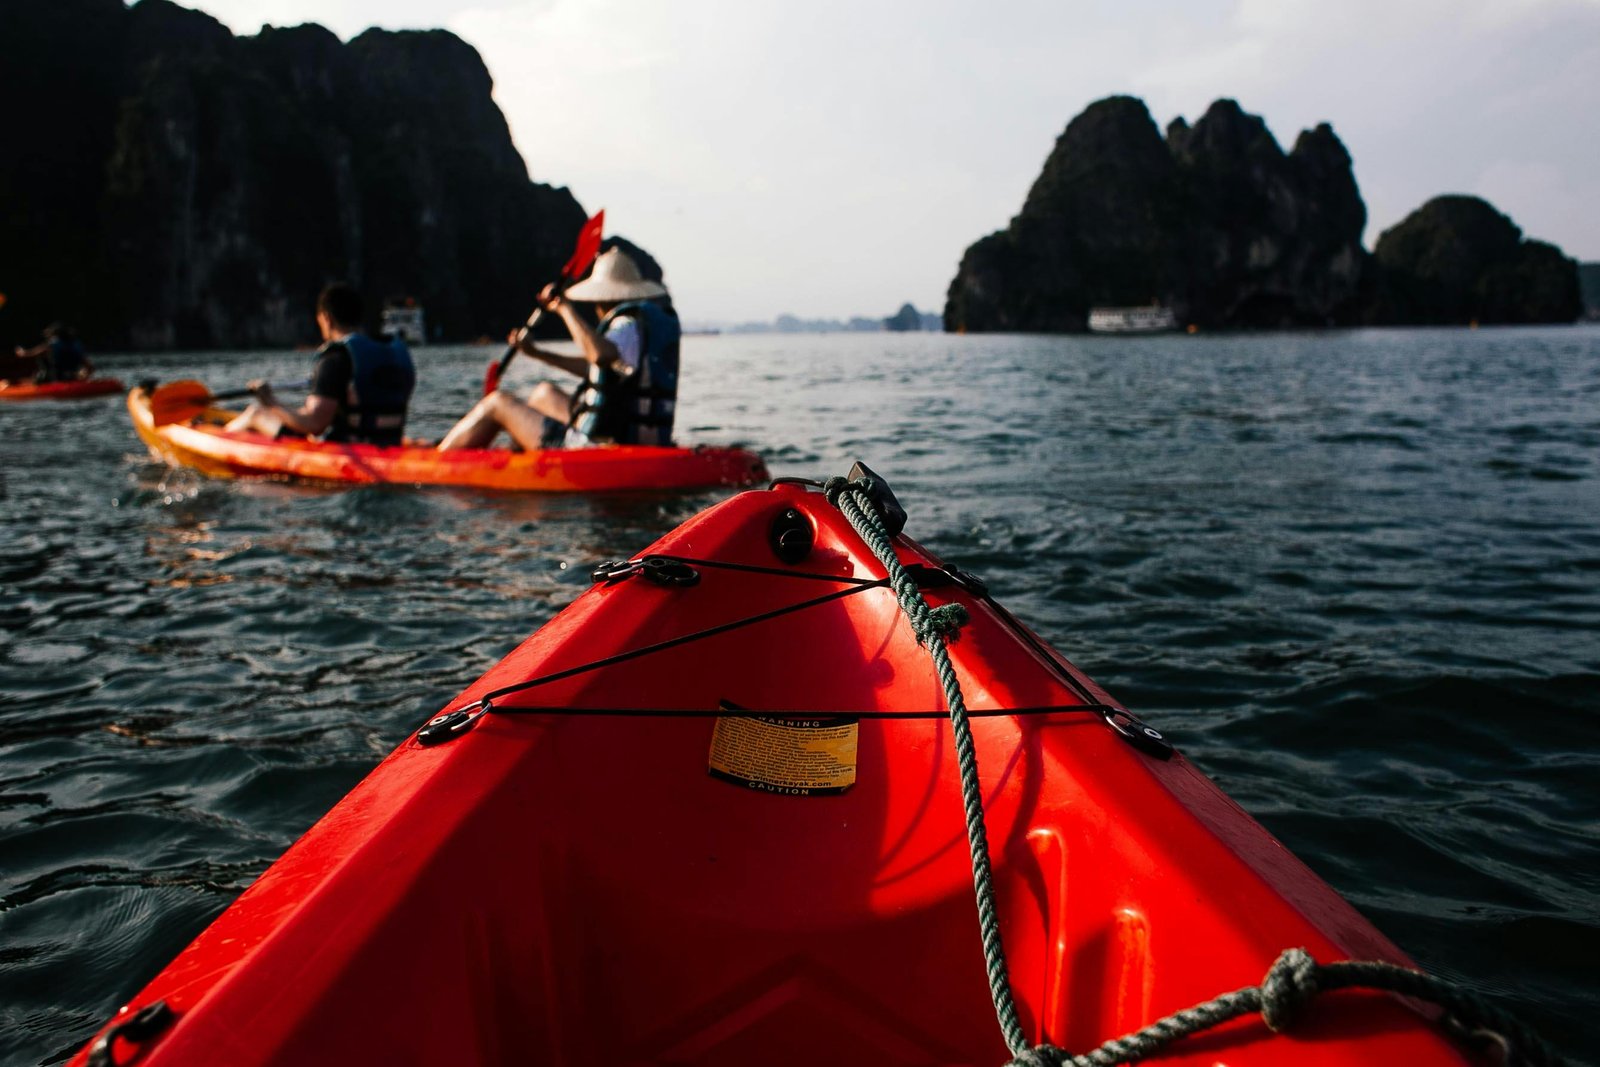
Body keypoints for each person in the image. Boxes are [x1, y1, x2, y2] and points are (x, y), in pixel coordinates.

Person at [437, 248, 680, 451]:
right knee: (543, 394)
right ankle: (518, 458)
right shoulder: (637, 327)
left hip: (596, 446)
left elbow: (599, 355)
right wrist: (537, 353)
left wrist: (564, 308)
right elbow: (597, 368)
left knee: (497, 402)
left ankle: (440, 458)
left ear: (600, 298)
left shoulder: (625, 326)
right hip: (623, 434)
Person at [226, 284, 415, 446]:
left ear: (326, 318)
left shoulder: (336, 358)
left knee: (255, 413)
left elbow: (314, 424)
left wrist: (270, 402)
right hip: (388, 442)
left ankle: (216, 439)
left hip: (345, 450)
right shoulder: (394, 352)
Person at [13, 323, 93, 383]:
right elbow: (89, 366)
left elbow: (27, 354)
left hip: (55, 378)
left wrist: (20, 351)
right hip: (73, 377)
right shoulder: (76, 344)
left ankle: (37, 382)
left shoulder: (52, 344)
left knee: (42, 370)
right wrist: (84, 376)